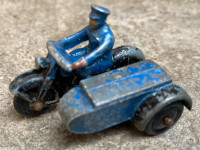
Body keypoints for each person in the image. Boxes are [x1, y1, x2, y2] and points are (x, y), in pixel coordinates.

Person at [58, 4, 115, 78]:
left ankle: (90, 85)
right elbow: (77, 36)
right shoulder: (90, 28)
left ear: (102, 21)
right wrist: (63, 42)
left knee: (84, 69)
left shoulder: (108, 37)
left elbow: (96, 54)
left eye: (95, 21)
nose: (91, 22)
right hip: (88, 51)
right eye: (91, 19)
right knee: (72, 55)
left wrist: (80, 63)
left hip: (102, 60)